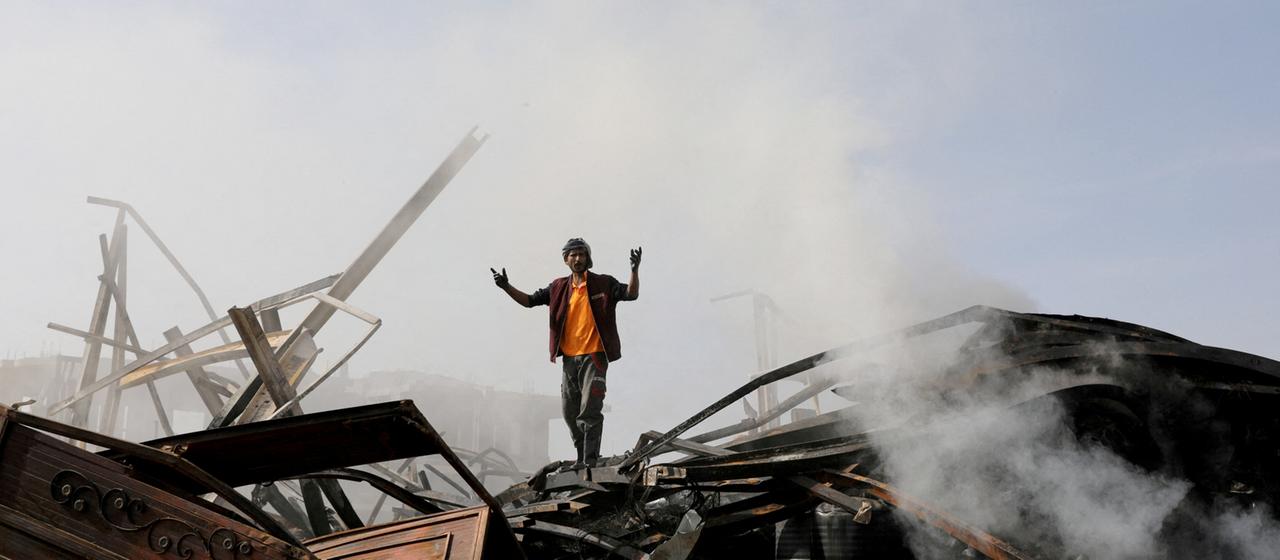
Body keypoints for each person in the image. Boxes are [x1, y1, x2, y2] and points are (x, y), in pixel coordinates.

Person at [491, 238, 641, 469]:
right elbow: (529, 301)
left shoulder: (603, 283)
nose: (578, 258)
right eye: (573, 255)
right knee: (570, 412)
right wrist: (506, 287)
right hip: (570, 359)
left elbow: (631, 294)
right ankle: (581, 458)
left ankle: (588, 461)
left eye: (581, 254)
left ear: (588, 258)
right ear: (566, 260)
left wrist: (634, 270)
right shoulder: (558, 288)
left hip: (594, 356)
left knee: (590, 409)